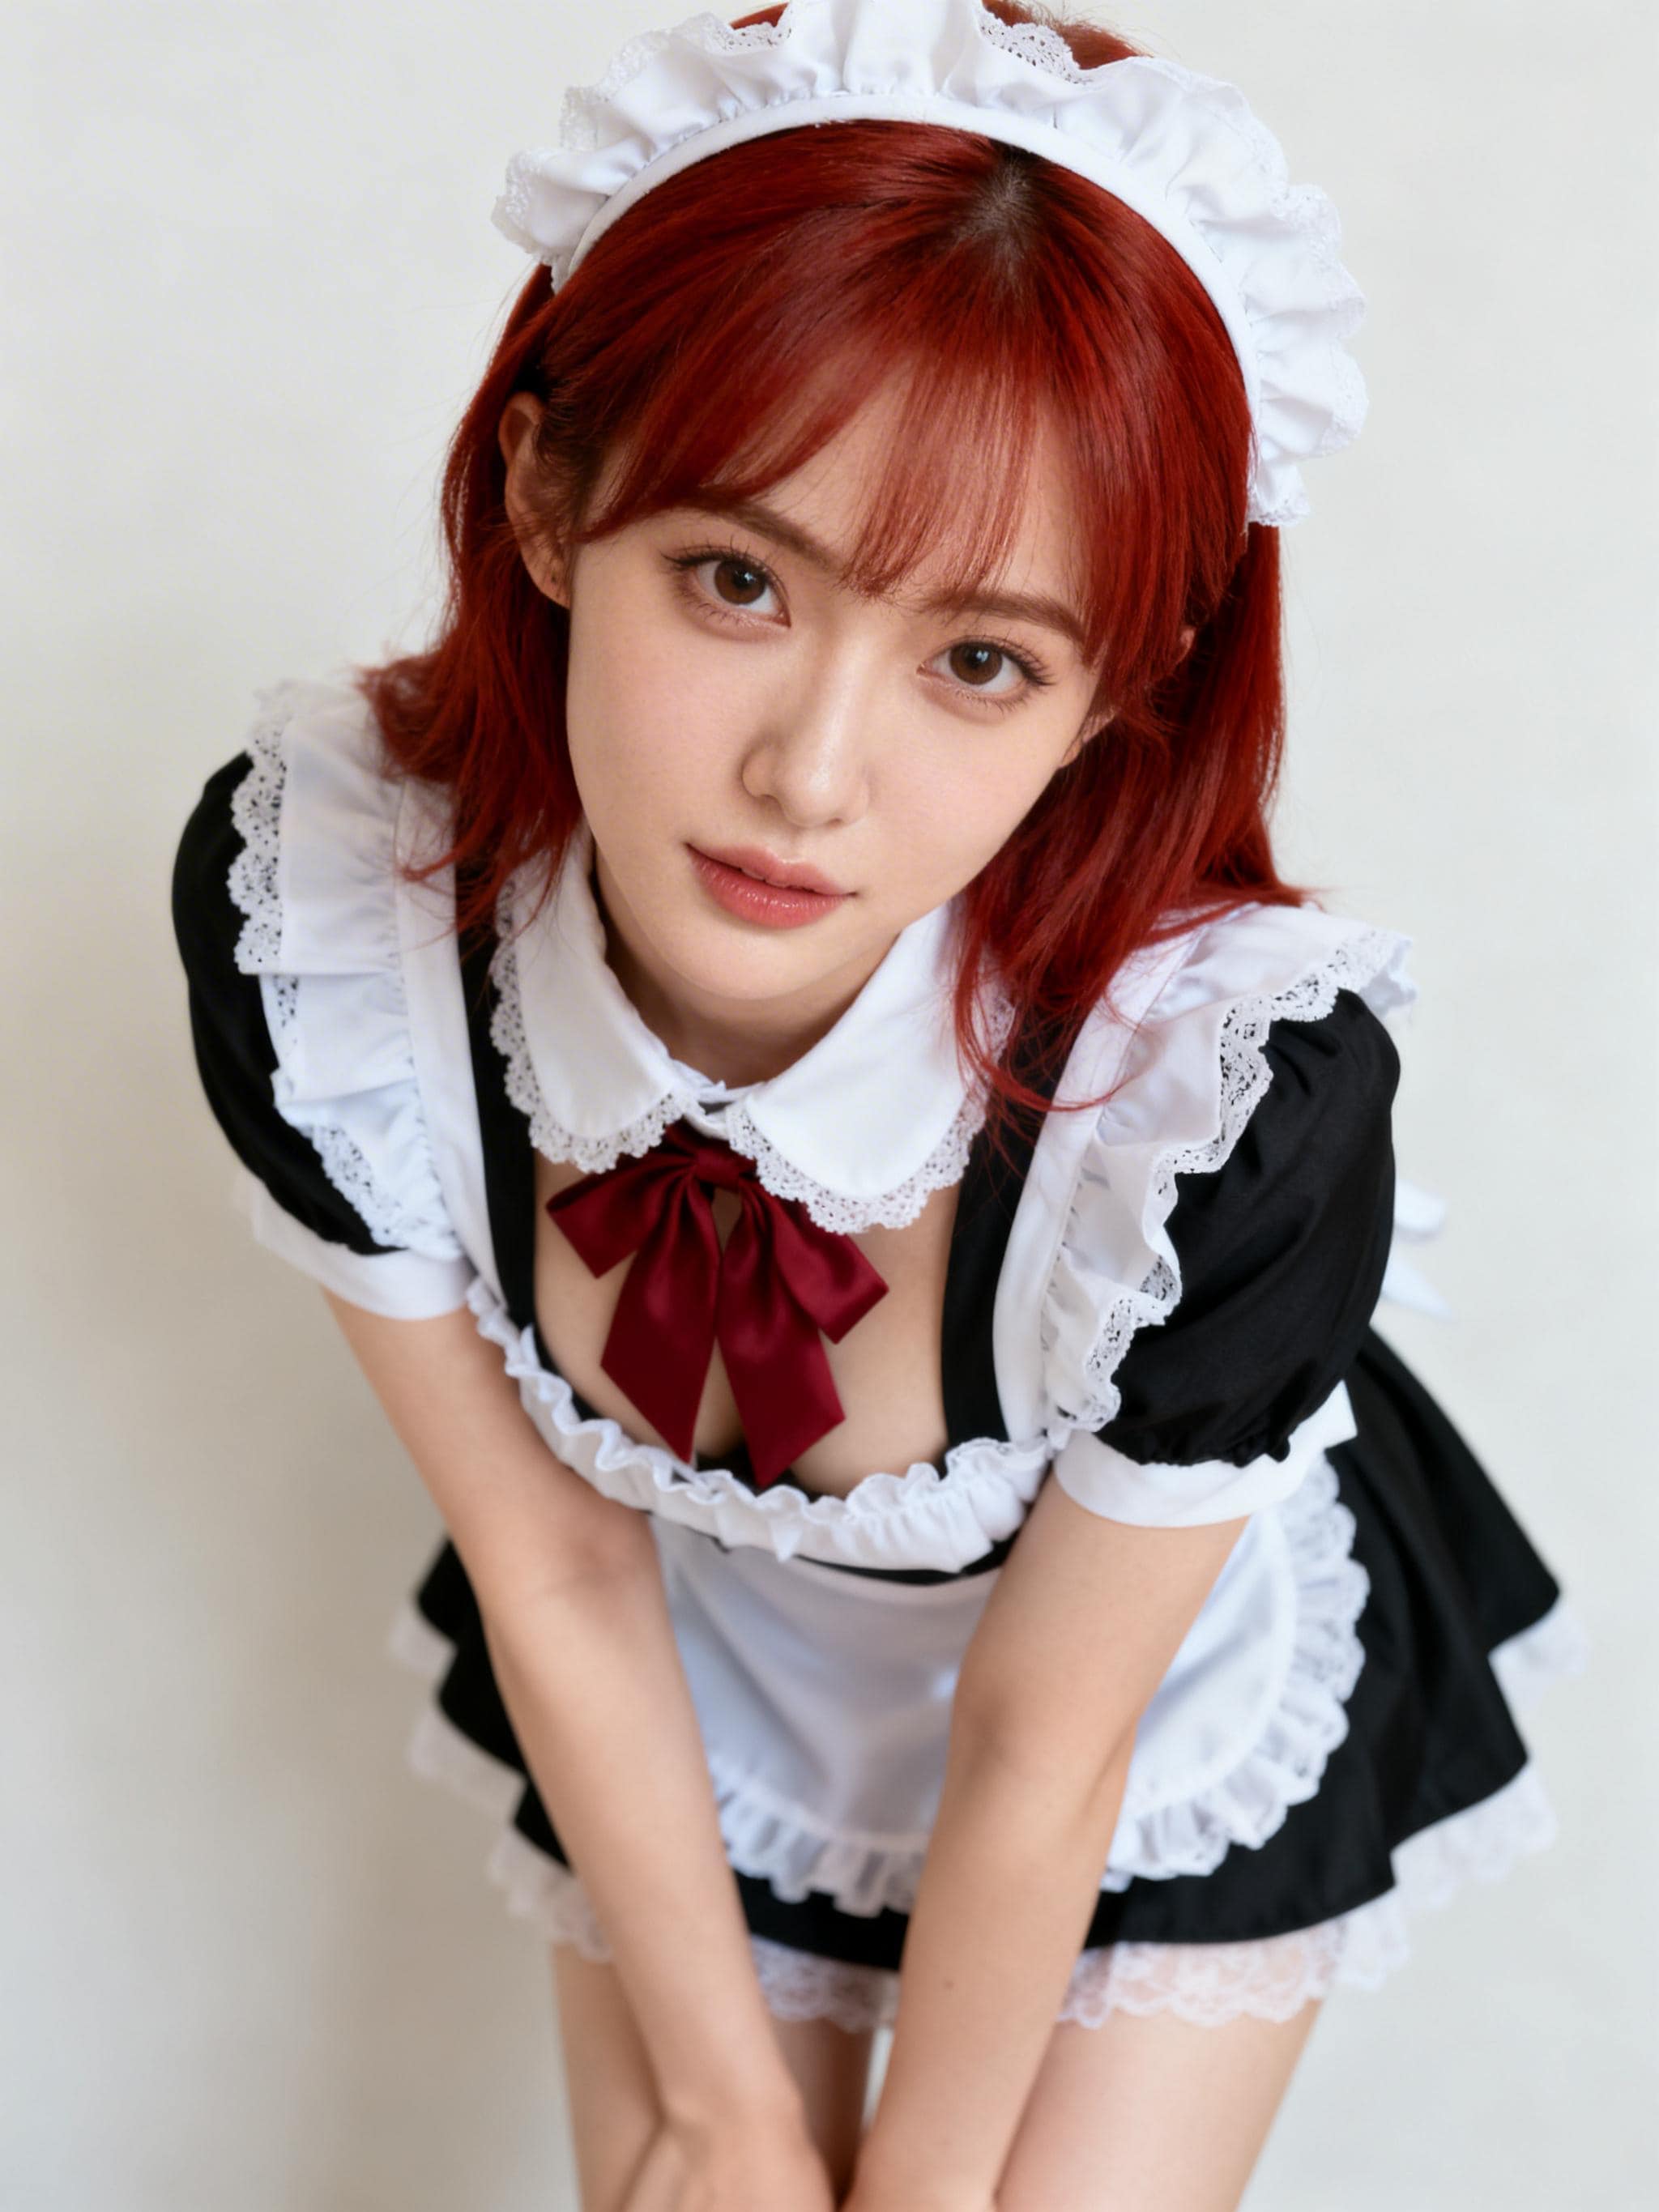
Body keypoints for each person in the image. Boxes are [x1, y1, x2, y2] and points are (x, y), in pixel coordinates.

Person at [168, 2, 1588, 2206]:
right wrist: (724, 2109)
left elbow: (1042, 1739)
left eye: (980, 659)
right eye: (735, 578)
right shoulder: (345, 938)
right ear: (548, 495)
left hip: (1125, 1731)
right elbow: (556, 1560)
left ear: (1123, 689)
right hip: (698, 1676)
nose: (810, 776)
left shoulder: (1216, 1113)